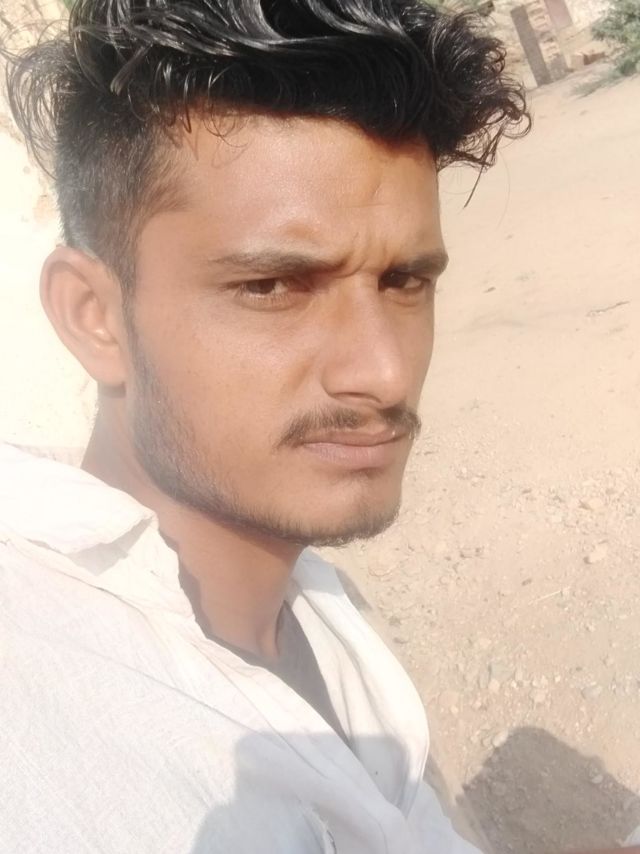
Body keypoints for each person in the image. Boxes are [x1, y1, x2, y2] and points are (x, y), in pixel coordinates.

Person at [0, 0, 533, 851]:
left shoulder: (317, 605)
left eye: (404, 281)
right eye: (272, 287)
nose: (386, 373)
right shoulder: (38, 706)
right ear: (94, 317)